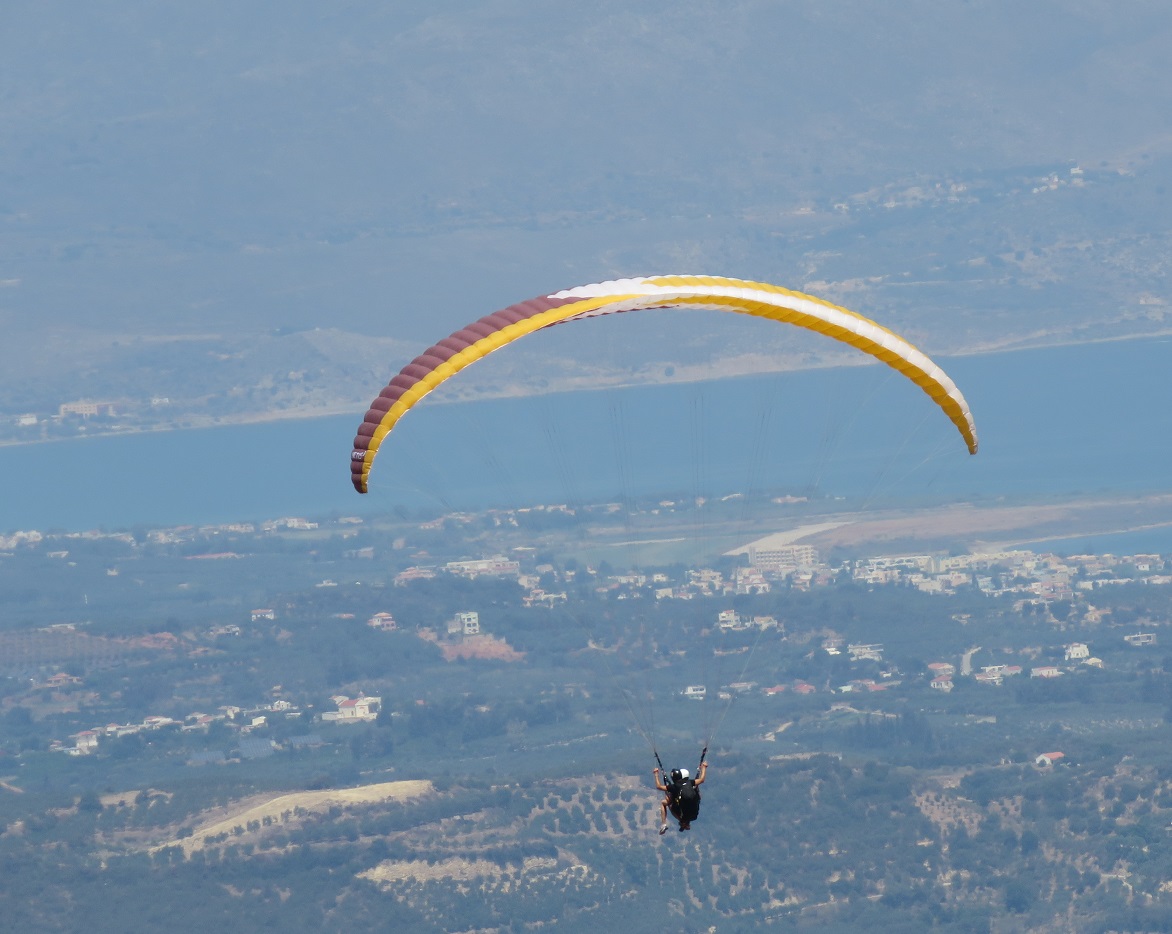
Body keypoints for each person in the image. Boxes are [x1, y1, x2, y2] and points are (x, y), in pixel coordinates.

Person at [654, 760, 707, 833]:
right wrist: (704, 767)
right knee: (695, 790)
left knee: (664, 802)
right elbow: (702, 780)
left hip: (683, 814)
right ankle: (684, 822)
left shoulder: (674, 786)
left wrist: (656, 774)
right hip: (694, 814)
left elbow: (659, 786)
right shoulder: (690, 782)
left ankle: (664, 824)